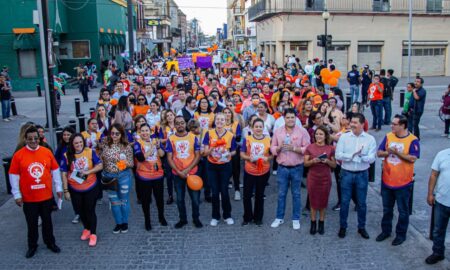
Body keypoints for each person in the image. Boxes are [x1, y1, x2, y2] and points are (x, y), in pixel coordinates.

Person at [8, 126, 62, 258]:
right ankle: (32, 246)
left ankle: (50, 243)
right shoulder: (18, 155)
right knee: (32, 225)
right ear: (25, 139)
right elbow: (13, 175)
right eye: (30, 139)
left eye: (35, 138)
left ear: (40, 139)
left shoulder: (46, 152)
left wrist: (59, 188)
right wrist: (16, 195)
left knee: (47, 222)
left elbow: (55, 170)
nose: (33, 141)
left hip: (46, 196)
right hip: (29, 198)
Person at [375, 114, 419, 246]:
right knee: (387, 209)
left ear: (402, 125)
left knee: (403, 211)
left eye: (394, 124)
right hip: (387, 180)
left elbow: (413, 158)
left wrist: (397, 152)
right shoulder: (389, 136)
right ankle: (386, 231)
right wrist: (388, 152)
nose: (391, 126)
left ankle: (401, 234)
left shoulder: (413, 140)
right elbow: (379, 153)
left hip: (403, 183)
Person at [335, 113, 377, 239]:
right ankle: (343, 227)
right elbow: (338, 155)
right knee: (345, 202)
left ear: (362, 124)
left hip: (362, 174)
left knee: (362, 203)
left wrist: (361, 156)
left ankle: (361, 227)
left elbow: (371, 158)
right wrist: (351, 156)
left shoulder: (370, 139)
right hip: (346, 173)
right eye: (351, 122)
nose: (352, 124)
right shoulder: (344, 137)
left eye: (355, 122)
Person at [270, 108, 310, 230]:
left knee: (296, 194)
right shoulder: (278, 131)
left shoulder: (302, 131)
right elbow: (272, 148)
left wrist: (294, 149)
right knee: (281, 194)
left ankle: (296, 218)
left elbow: (307, 148)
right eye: (288, 117)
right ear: (284, 118)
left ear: (296, 118)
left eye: (293, 117)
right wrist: (279, 147)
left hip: (297, 167)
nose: (290, 119)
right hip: (282, 167)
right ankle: (279, 217)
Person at [60, 133, 103, 247]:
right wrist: (65, 190)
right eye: (76, 143)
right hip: (74, 188)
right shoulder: (66, 155)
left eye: (80, 142)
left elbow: (100, 165)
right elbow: (64, 174)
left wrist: (88, 172)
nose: (79, 145)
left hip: (90, 186)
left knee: (90, 210)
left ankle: (93, 233)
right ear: (72, 144)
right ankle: (86, 228)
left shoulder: (90, 151)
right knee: (79, 210)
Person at [166, 116, 202, 228]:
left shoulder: (193, 137)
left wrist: (188, 169)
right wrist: (178, 171)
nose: (180, 125)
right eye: (177, 123)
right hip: (178, 174)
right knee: (180, 199)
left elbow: (198, 156)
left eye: (182, 122)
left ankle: (196, 218)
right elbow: (169, 158)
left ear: (185, 124)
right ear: (175, 125)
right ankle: (183, 219)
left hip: (193, 173)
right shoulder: (171, 139)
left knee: (195, 199)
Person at [202, 113, 237, 226]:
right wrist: (213, 146)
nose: (220, 121)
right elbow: (204, 152)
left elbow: (234, 151)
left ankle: (227, 215)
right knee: (215, 192)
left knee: (224, 191)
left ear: (225, 121)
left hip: (225, 166)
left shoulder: (230, 135)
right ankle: (215, 216)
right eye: (218, 119)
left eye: (222, 119)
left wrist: (227, 154)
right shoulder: (209, 133)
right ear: (215, 121)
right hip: (211, 166)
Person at [99, 124, 134, 234]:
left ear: (121, 134)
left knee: (124, 200)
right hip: (109, 176)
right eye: (112, 133)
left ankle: (125, 222)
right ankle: (118, 223)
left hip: (123, 176)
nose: (114, 135)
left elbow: (131, 164)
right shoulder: (104, 143)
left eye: (117, 133)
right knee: (114, 201)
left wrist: (122, 161)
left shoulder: (126, 146)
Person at [133, 123, 167, 231]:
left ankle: (161, 217)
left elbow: (162, 155)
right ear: (139, 132)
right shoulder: (137, 144)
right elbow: (141, 158)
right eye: (142, 131)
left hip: (158, 175)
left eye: (146, 130)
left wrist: (158, 146)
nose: (144, 133)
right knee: (146, 200)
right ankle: (147, 220)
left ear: (150, 132)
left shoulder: (155, 141)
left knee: (159, 198)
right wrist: (152, 148)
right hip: (144, 176)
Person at [304, 126, 336, 235]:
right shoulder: (310, 147)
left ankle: (321, 223)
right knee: (313, 201)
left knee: (323, 201)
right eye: (317, 134)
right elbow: (305, 163)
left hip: (325, 178)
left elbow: (334, 165)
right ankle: (313, 223)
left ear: (325, 136)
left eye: (321, 134)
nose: (318, 136)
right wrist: (313, 161)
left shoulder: (330, 148)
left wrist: (326, 160)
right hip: (313, 177)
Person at [240, 118, 273, 226]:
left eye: (260, 126)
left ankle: (258, 218)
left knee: (259, 195)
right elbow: (242, 154)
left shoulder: (268, 139)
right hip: (249, 171)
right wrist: (249, 159)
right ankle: (247, 217)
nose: (258, 128)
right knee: (247, 196)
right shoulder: (247, 139)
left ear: (263, 128)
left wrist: (267, 159)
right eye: (256, 126)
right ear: (252, 128)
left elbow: (273, 154)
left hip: (263, 172)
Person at [425, 147, 450, 265]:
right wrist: (430, 193)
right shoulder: (442, 154)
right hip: (442, 200)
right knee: (438, 229)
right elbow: (434, 174)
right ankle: (438, 252)